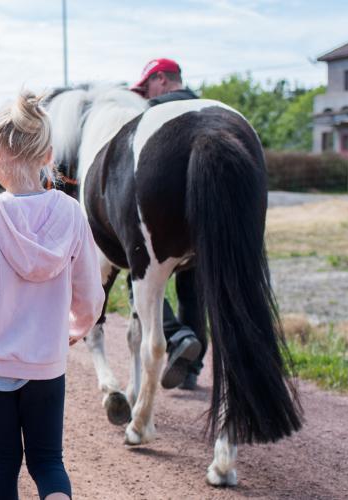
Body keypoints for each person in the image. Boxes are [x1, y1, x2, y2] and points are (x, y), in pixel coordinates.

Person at [0, 91, 105, 500]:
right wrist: (76, 327)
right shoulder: (70, 213)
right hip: (47, 362)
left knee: (3, 461)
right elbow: (90, 289)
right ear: (49, 155)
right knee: (48, 461)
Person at [131, 57, 206, 390]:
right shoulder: (207, 108)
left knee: (142, 285)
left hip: (163, 211)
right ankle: (191, 369)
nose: (145, 95)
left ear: (161, 79)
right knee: (193, 290)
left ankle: (177, 338)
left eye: (146, 87)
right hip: (204, 217)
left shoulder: (154, 112)